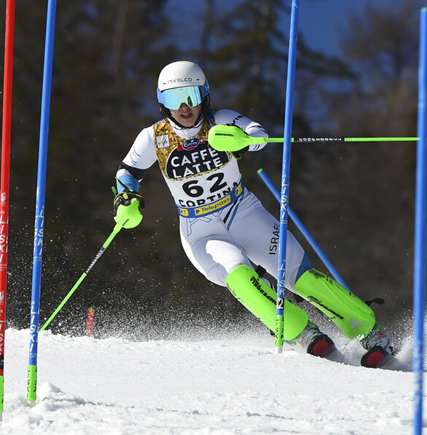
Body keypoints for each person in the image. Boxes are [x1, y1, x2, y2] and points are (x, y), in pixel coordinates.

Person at [112, 60, 397, 367]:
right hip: (202, 230)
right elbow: (127, 172)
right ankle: (303, 334)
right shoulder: (154, 137)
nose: (183, 107)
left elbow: (257, 132)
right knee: (242, 279)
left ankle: (371, 334)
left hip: (242, 211)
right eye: (173, 99)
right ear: (161, 103)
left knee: (299, 276)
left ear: (204, 96)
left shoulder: (219, 120)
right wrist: (126, 198)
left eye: (191, 97)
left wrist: (244, 140)